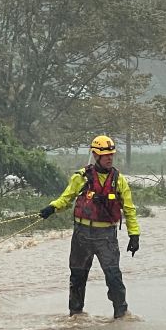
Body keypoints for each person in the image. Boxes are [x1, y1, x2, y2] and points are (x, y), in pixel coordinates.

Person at [38, 134, 140, 319]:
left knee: (114, 278)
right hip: (82, 235)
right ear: (95, 155)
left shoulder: (119, 181)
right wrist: (52, 208)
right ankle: (76, 316)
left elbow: (129, 209)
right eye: (105, 154)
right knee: (77, 278)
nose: (109, 158)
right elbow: (66, 198)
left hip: (107, 236)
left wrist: (134, 235)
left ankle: (121, 315)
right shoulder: (81, 177)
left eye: (111, 154)